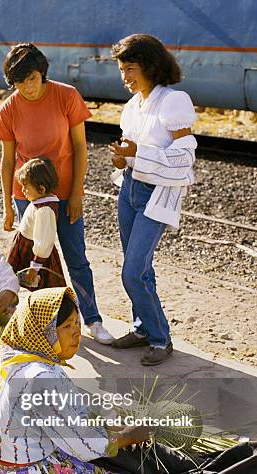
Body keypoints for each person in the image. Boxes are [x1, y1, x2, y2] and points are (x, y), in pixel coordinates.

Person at [0, 287, 149, 474]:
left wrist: (109, 414)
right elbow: (82, 445)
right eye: (66, 327)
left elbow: (73, 402)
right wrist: (129, 436)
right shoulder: (40, 378)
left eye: (77, 324)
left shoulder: (20, 358)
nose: (77, 334)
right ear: (44, 332)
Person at [0, 43, 113, 344]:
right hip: (28, 198)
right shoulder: (8, 108)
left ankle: (93, 320)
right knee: (36, 262)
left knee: (76, 259)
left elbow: (81, 148)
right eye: (18, 82)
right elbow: (7, 161)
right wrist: (8, 205)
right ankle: (44, 323)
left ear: (42, 73)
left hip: (64, 195)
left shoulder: (66, 96)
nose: (27, 87)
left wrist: (75, 195)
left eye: (31, 78)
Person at [108, 34, 197, 365]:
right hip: (129, 189)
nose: (125, 77)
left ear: (150, 66)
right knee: (140, 268)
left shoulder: (173, 102)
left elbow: (185, 155)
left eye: (130, 68)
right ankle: (143, 328)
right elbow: (133, 153)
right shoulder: (133, 106)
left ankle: (161, 339)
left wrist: (138, 152)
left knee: (132, 272)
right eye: (121, 70)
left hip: (156, 195)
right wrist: (122, 159)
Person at [7, 157, 66, 290]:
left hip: (34, 255)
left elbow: (44, 241)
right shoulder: (39, 203)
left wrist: (34, 267)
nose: (23, 191)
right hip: (26, 248)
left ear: (41, 189)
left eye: (26, 187)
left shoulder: (45, 210)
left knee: (40, 289)